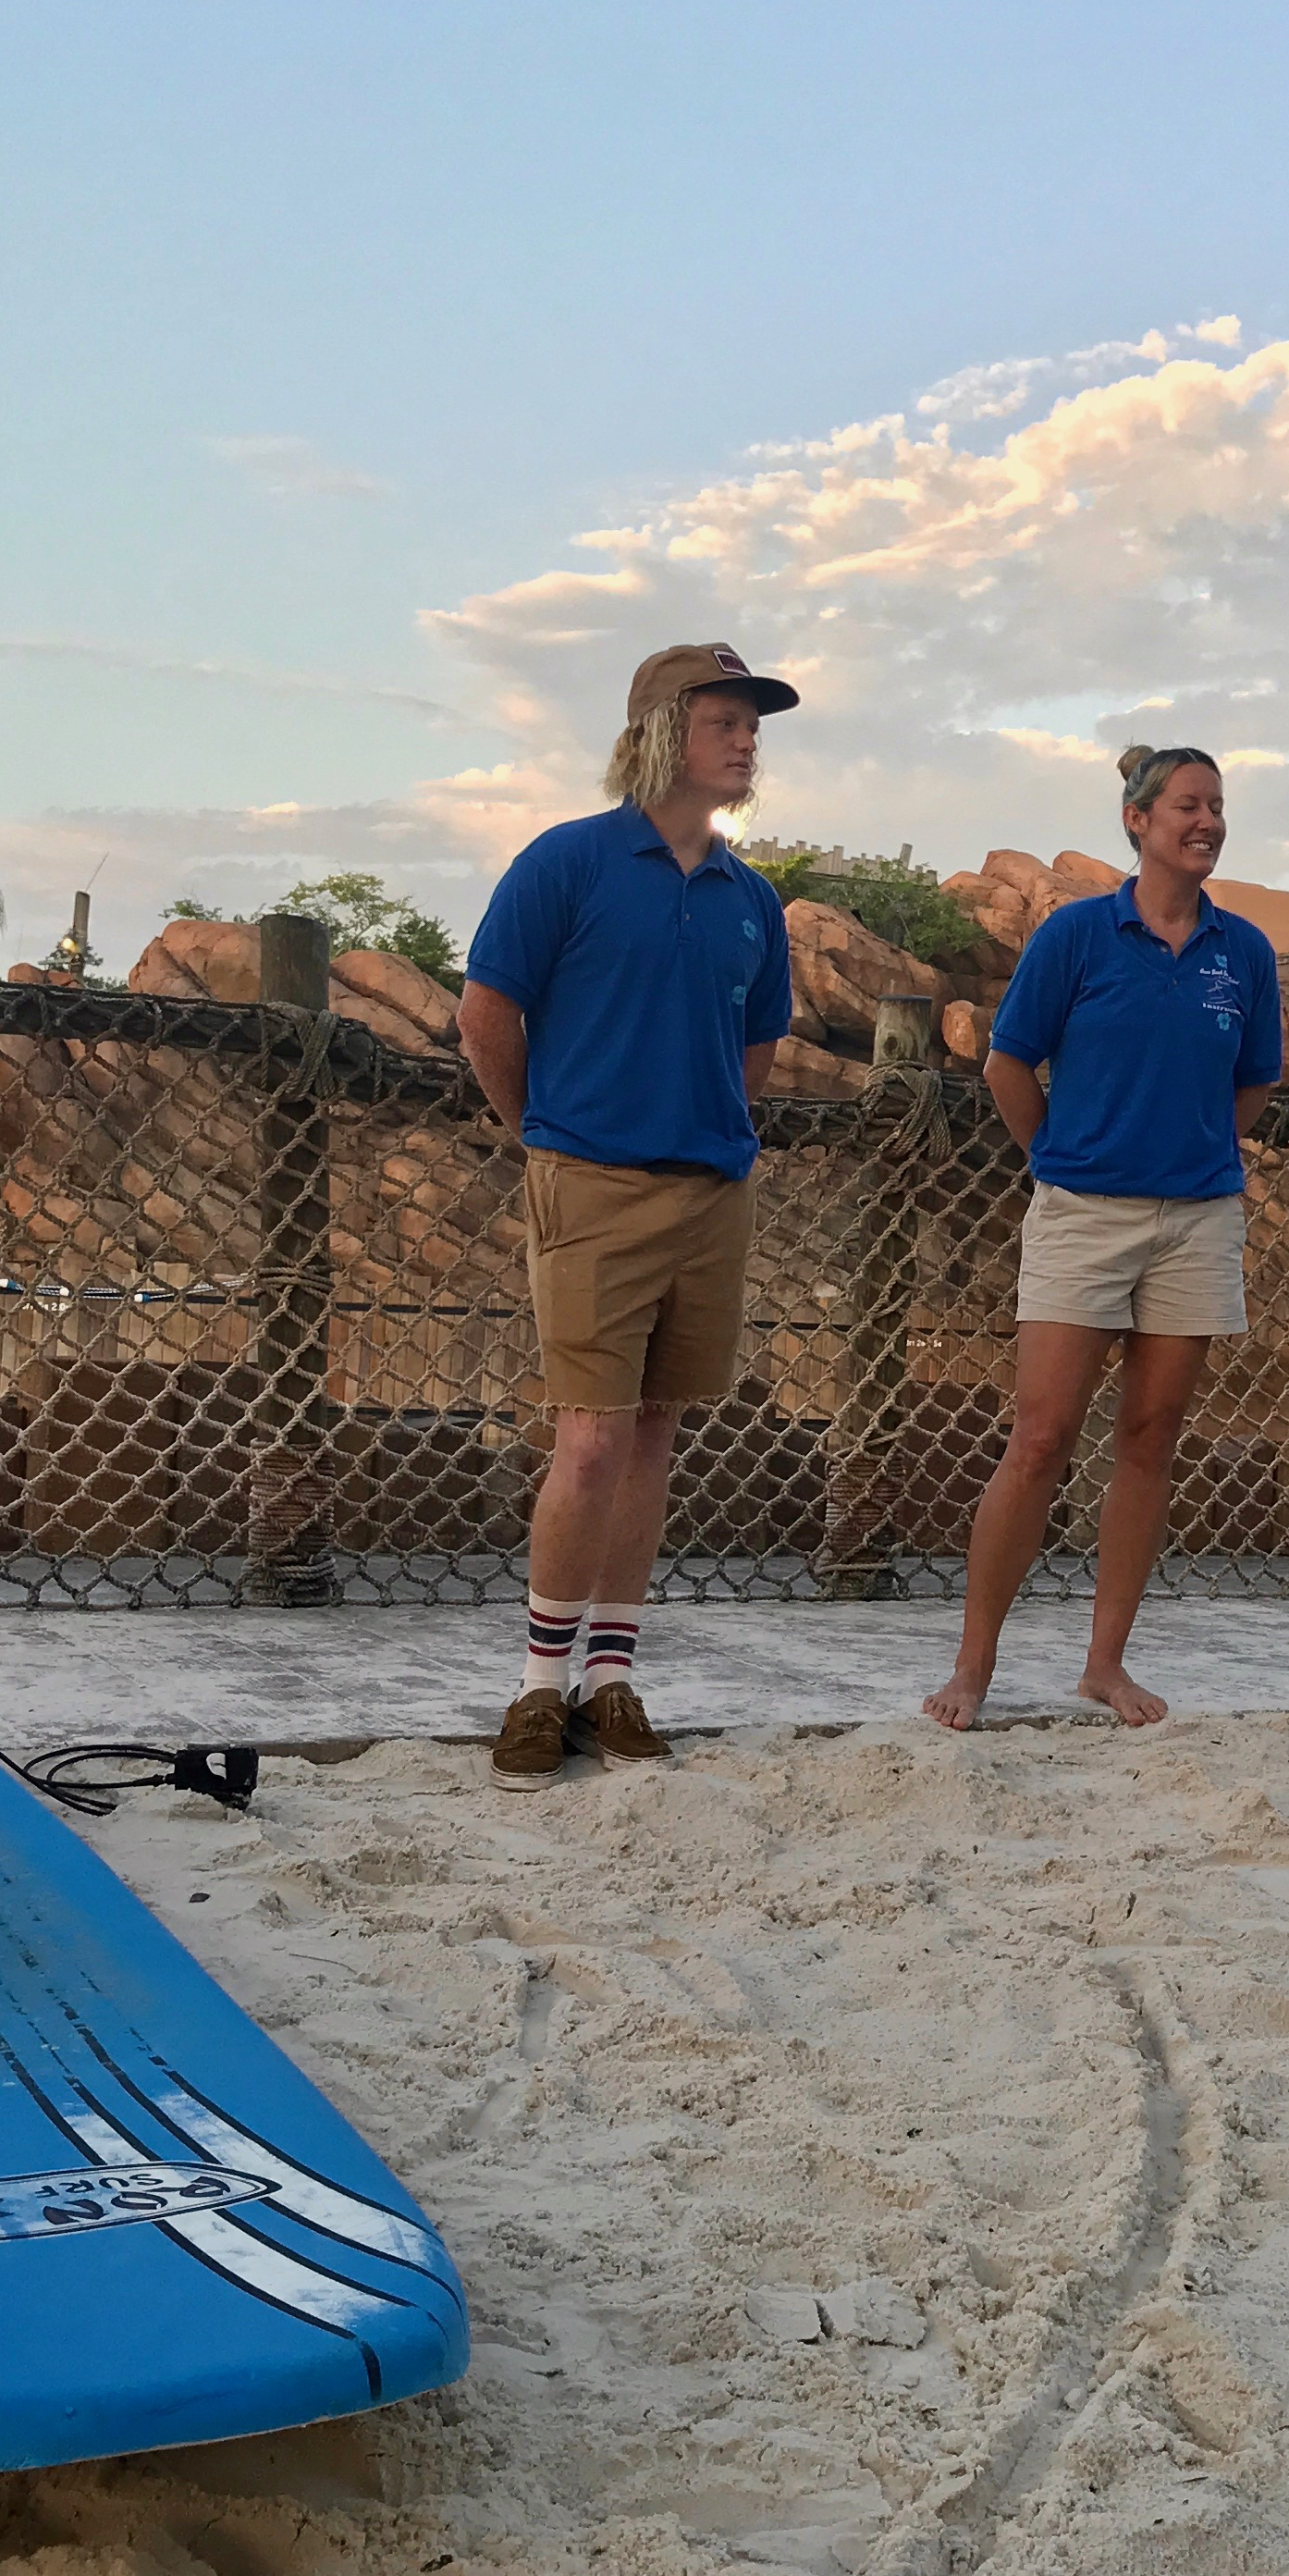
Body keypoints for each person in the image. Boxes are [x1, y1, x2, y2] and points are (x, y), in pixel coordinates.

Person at [457, 642, 798, 1791]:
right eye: (725, 721)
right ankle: (538, 1690)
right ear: (661, 730)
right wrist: (545, 1133)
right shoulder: (568, 862)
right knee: (591, 1435)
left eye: (753, 724)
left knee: (655, 1431)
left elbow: (755, 1050)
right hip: (590, 1181)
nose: (746, 740)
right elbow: (485, 1017)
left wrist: (715, 1137)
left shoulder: (754, 900)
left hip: (713, 1190)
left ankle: (612, 1678)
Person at [923, 746, 1283, 1730]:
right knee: (1039, 1440)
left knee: (1151, 1438)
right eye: (1186, 805)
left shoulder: (1243, 952)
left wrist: (1203, 1147)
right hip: (1081, 1214)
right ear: (1138, 819)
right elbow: (1008, 1062)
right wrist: (1057, 1157)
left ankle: (1105, 1664)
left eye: (1216, 806)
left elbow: (1254, 1079)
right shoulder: (1077, 935)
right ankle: (973, 1667)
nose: (1205, 821)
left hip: (1197, 1221)